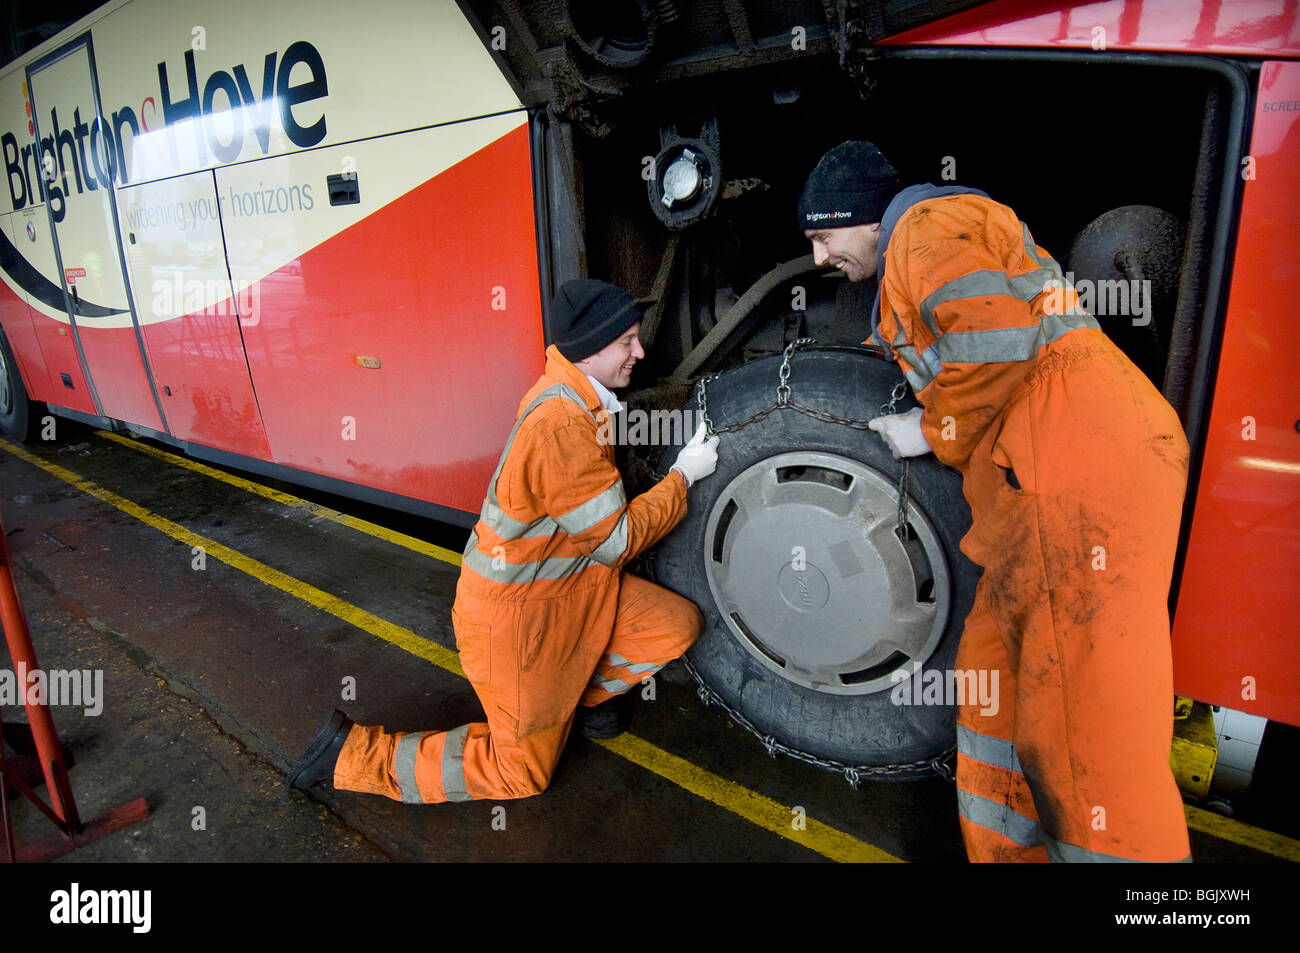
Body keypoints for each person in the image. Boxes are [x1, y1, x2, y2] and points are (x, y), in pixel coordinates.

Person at [798, 141, 1191, 862]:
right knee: (997, 701)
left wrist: (931, 426)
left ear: (860, 219)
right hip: (1035, 492)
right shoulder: (921, 252)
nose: (820, 259)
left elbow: (998, 339)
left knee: (1085, 743)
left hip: (1077, 466)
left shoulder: (920, 227)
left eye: (822, 237)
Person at [287, 279, 719, 803]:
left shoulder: (576, 402)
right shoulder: (562, 425)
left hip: (571, 597)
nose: (640, 352)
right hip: (516, 627)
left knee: (672, 625)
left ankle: (571, 700)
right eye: (627, 341)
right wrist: (683, 478)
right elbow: (617, 541)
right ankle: (354, 758)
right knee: (521, 774)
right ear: (590, 349)